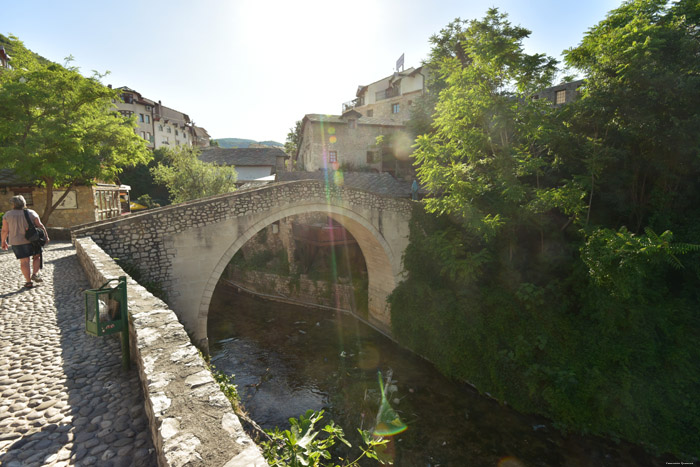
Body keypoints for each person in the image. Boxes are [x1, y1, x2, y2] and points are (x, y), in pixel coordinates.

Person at [1, 195, 50, 288]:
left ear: (13, 204)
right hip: (33, 240)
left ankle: (28, 282)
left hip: (17, 242)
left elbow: (4, 230)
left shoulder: (7, 215)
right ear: (24, 203)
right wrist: (46, 236)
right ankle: (35, 274)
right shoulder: (31, 212)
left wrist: (3, 241)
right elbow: (40, 226)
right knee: (37, 256)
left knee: (24, 262)